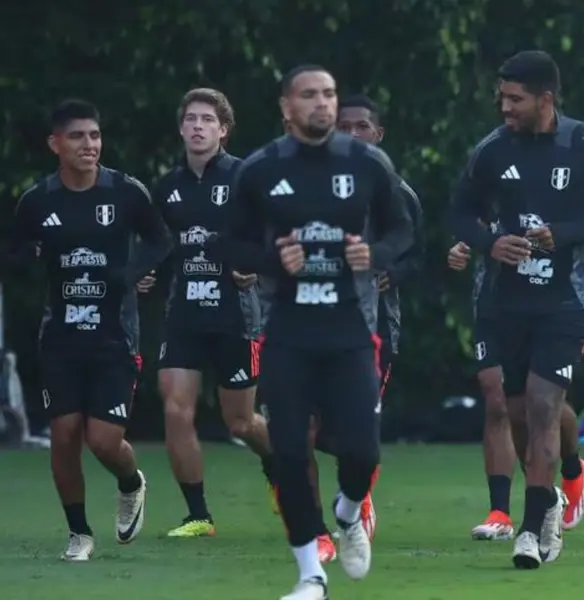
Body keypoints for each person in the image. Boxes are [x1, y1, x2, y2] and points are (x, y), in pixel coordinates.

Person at [217, 65, 417, 600]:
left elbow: (402, 230)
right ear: (287, 107)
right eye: (310, 95)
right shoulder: (260, 169)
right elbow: (229, 244)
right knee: (288, 452)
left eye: (328, 93)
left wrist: (374, 254)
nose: (322, 103)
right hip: (287, 331)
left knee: (362, 451)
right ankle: (311, 575)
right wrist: (272, 259)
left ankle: (348, 512)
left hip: (351, 328)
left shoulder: (367, 163)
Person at [449, 50, 584, 568]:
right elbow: (459, 213)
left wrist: (567, 234)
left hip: (565, 301)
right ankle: (549, 497)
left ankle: (531, 531)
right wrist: (490, 243)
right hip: (503, 301)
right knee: (512, 411)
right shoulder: (491, 150)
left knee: (542, 406)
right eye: (502, 97)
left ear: (546, 99)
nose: (504, 107)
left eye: (515, 99)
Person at [4, 99, 170, 560]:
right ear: (55, 144)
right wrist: (31, 256)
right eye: (77, 136)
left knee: (102, 440)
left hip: (115, 334)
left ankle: (131, 483)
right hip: (60, 334)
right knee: (63, 435)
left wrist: (133, 273)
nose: (89, 144)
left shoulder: (126, 192)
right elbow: (15, 253)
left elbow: (159, 240)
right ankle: (79, 533)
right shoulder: (37, 200)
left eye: (95, 135)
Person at [136, 88, 275, 538]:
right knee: (176, 409)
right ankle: (198, 516)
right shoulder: (167, 187)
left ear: (223, 130)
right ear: (181, 128)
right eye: (191, 119)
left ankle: (278, 466)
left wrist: (253, 268)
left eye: (207, 120)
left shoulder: (244, 176)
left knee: (241, 422)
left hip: (236, 314)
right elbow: (157, 244)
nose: (198, 127)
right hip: (185, 314)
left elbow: (272, 233)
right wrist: (145, 273)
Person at [448, 240, 584, 541]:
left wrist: (557, 234)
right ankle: (502, 512)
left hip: (562, 303)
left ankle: (571, 471)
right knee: (498, 399)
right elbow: (483, 222)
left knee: (544, 400)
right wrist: (468, 243)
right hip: (496, 301)